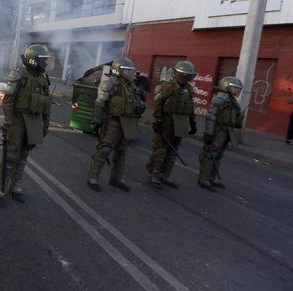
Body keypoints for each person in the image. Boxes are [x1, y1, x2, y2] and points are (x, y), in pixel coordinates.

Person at [0, 44, 51, 207]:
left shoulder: (43, 78)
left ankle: (15, 186)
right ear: (34, 60)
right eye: (43, 60)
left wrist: (46, 123)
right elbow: (8, 101)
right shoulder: (19, 74)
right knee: (11, 155)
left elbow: (46, 103)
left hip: (35, 120)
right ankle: (0, 188)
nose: (46, 63)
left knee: (24, 155)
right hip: (18, 120)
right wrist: (8, 121)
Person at [87, 57, 146, 192]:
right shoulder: (111, 84)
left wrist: (141, 107)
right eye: (127, 71)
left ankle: (116, 179)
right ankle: (93, 177)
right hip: (114, 122)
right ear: (118, 70)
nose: (130, 73)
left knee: (122, 152)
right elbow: (100, 102)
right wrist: (97, 120)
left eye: (131, 70)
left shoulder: (132, 86)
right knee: (105, 150)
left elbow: (137, 101)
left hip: (128, 122)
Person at [146, 61, 198, 189]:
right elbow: (158, 104)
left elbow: (190, 107)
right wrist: (157, 121)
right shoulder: (167, 87)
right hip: (166, 121)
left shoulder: (189, 89)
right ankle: (155, 174)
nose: (187, 78)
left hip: (181, 122)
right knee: (161, 149)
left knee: (173, 150)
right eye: (185, 75)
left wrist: (192, 123)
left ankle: (166, 175)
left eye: (189, 76)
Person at [198, 76, 244, 191]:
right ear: (226, 86)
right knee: (211, 155)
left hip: (227, 131)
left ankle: (211, 178)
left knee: (218, 155)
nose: (237, 90)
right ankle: (204, 179)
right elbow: (211, 116)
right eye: (235, 88)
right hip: (219, 130)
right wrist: (209, 133)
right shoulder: (221, 98)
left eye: (238, 88)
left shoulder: (231, 100)